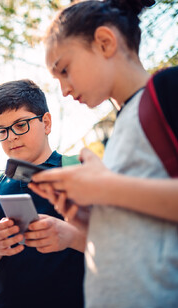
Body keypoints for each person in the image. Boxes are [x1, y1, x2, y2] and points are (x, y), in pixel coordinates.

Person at [28, 0, 178, 306]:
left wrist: (103, 187)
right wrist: (87, 219)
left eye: (65, 70)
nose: (65, 90)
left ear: (104, 43)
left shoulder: (168, 90)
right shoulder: (123, 125)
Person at [0, 79, 86, 308]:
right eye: (2, 130)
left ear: (46, 123)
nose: (11, 136)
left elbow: (115, 240)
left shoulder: (80, 170)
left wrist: (70, 235)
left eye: (21, 125)